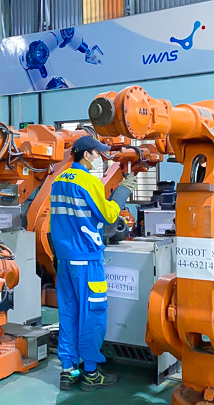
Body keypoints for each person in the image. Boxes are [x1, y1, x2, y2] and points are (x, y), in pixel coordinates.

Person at [49, 135, 138, 391]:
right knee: (92, 314)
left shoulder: (58, 181)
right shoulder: (89, 182)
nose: (99, 158)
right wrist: (124, 190)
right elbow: (109, 216)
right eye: (97, 153)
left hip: (64, 259)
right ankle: (90, 372)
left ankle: (68, 370)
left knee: (68, 313)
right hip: (86, 259)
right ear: (86, 155)